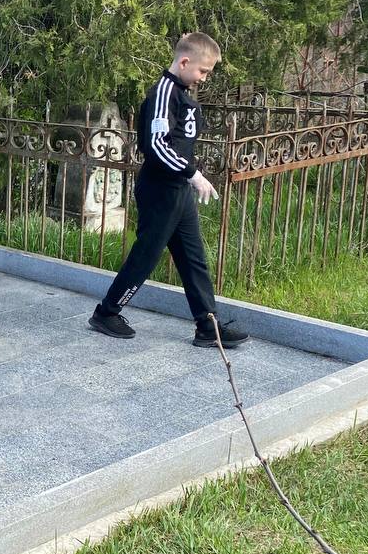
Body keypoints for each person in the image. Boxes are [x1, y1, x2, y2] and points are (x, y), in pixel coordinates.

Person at [88, 32, 250, 348]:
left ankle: (208, 326)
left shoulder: (182, 94)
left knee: (193, 257)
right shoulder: (163, 93)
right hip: (160, 189)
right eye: (203, 71)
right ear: (184, 61)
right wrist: (193, 174)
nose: (204, 78)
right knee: (147, 255)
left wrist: (188, 177)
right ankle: (106, 313)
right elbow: (156, 146)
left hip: (179, 190)